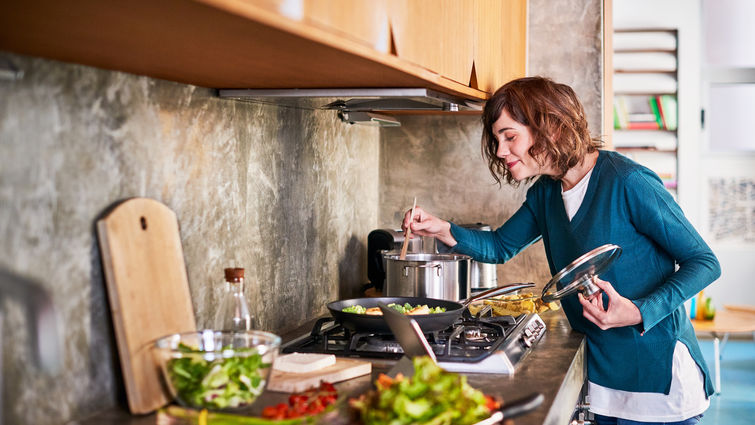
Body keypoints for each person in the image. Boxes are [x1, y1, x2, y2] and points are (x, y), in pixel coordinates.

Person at [402, 77, 720, 425]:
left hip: (659, 381)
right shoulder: (546, 194)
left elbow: (704, 262)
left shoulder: (628, 182)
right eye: (497, 140)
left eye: (510, 136)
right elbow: (500, 246)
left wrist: (639, 311)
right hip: (602, 381)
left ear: (549, 126)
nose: (500, 150)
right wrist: (442, 228)